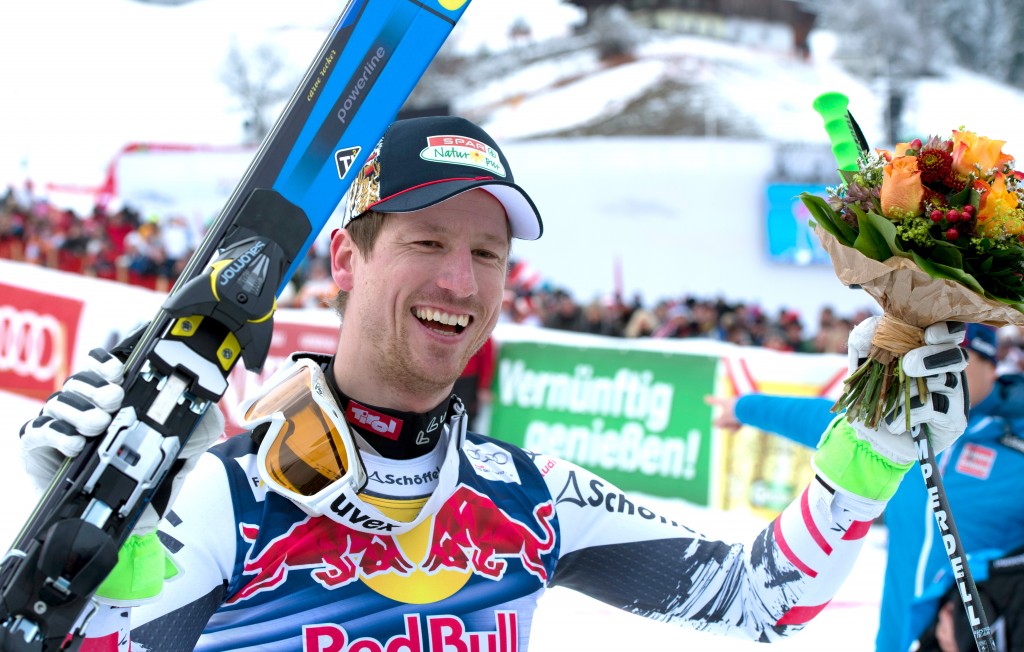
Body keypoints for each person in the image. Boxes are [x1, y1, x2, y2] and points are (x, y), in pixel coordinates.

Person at [21, 116, 972, 651]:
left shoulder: (529, 500)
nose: (459, 282)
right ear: (345, 258)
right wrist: (94, 530)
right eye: (427, 243)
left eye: (488, 252)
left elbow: (757, 599)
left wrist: (868, 452)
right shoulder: (227, 496)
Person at [705, 324, 1024, 651]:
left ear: (992, 364)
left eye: (957, 358)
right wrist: (744, 408)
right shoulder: (902, 427)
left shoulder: (1017, 444)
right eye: (932, 358)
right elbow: (823, 419)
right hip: (895, 640)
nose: (943, 372)